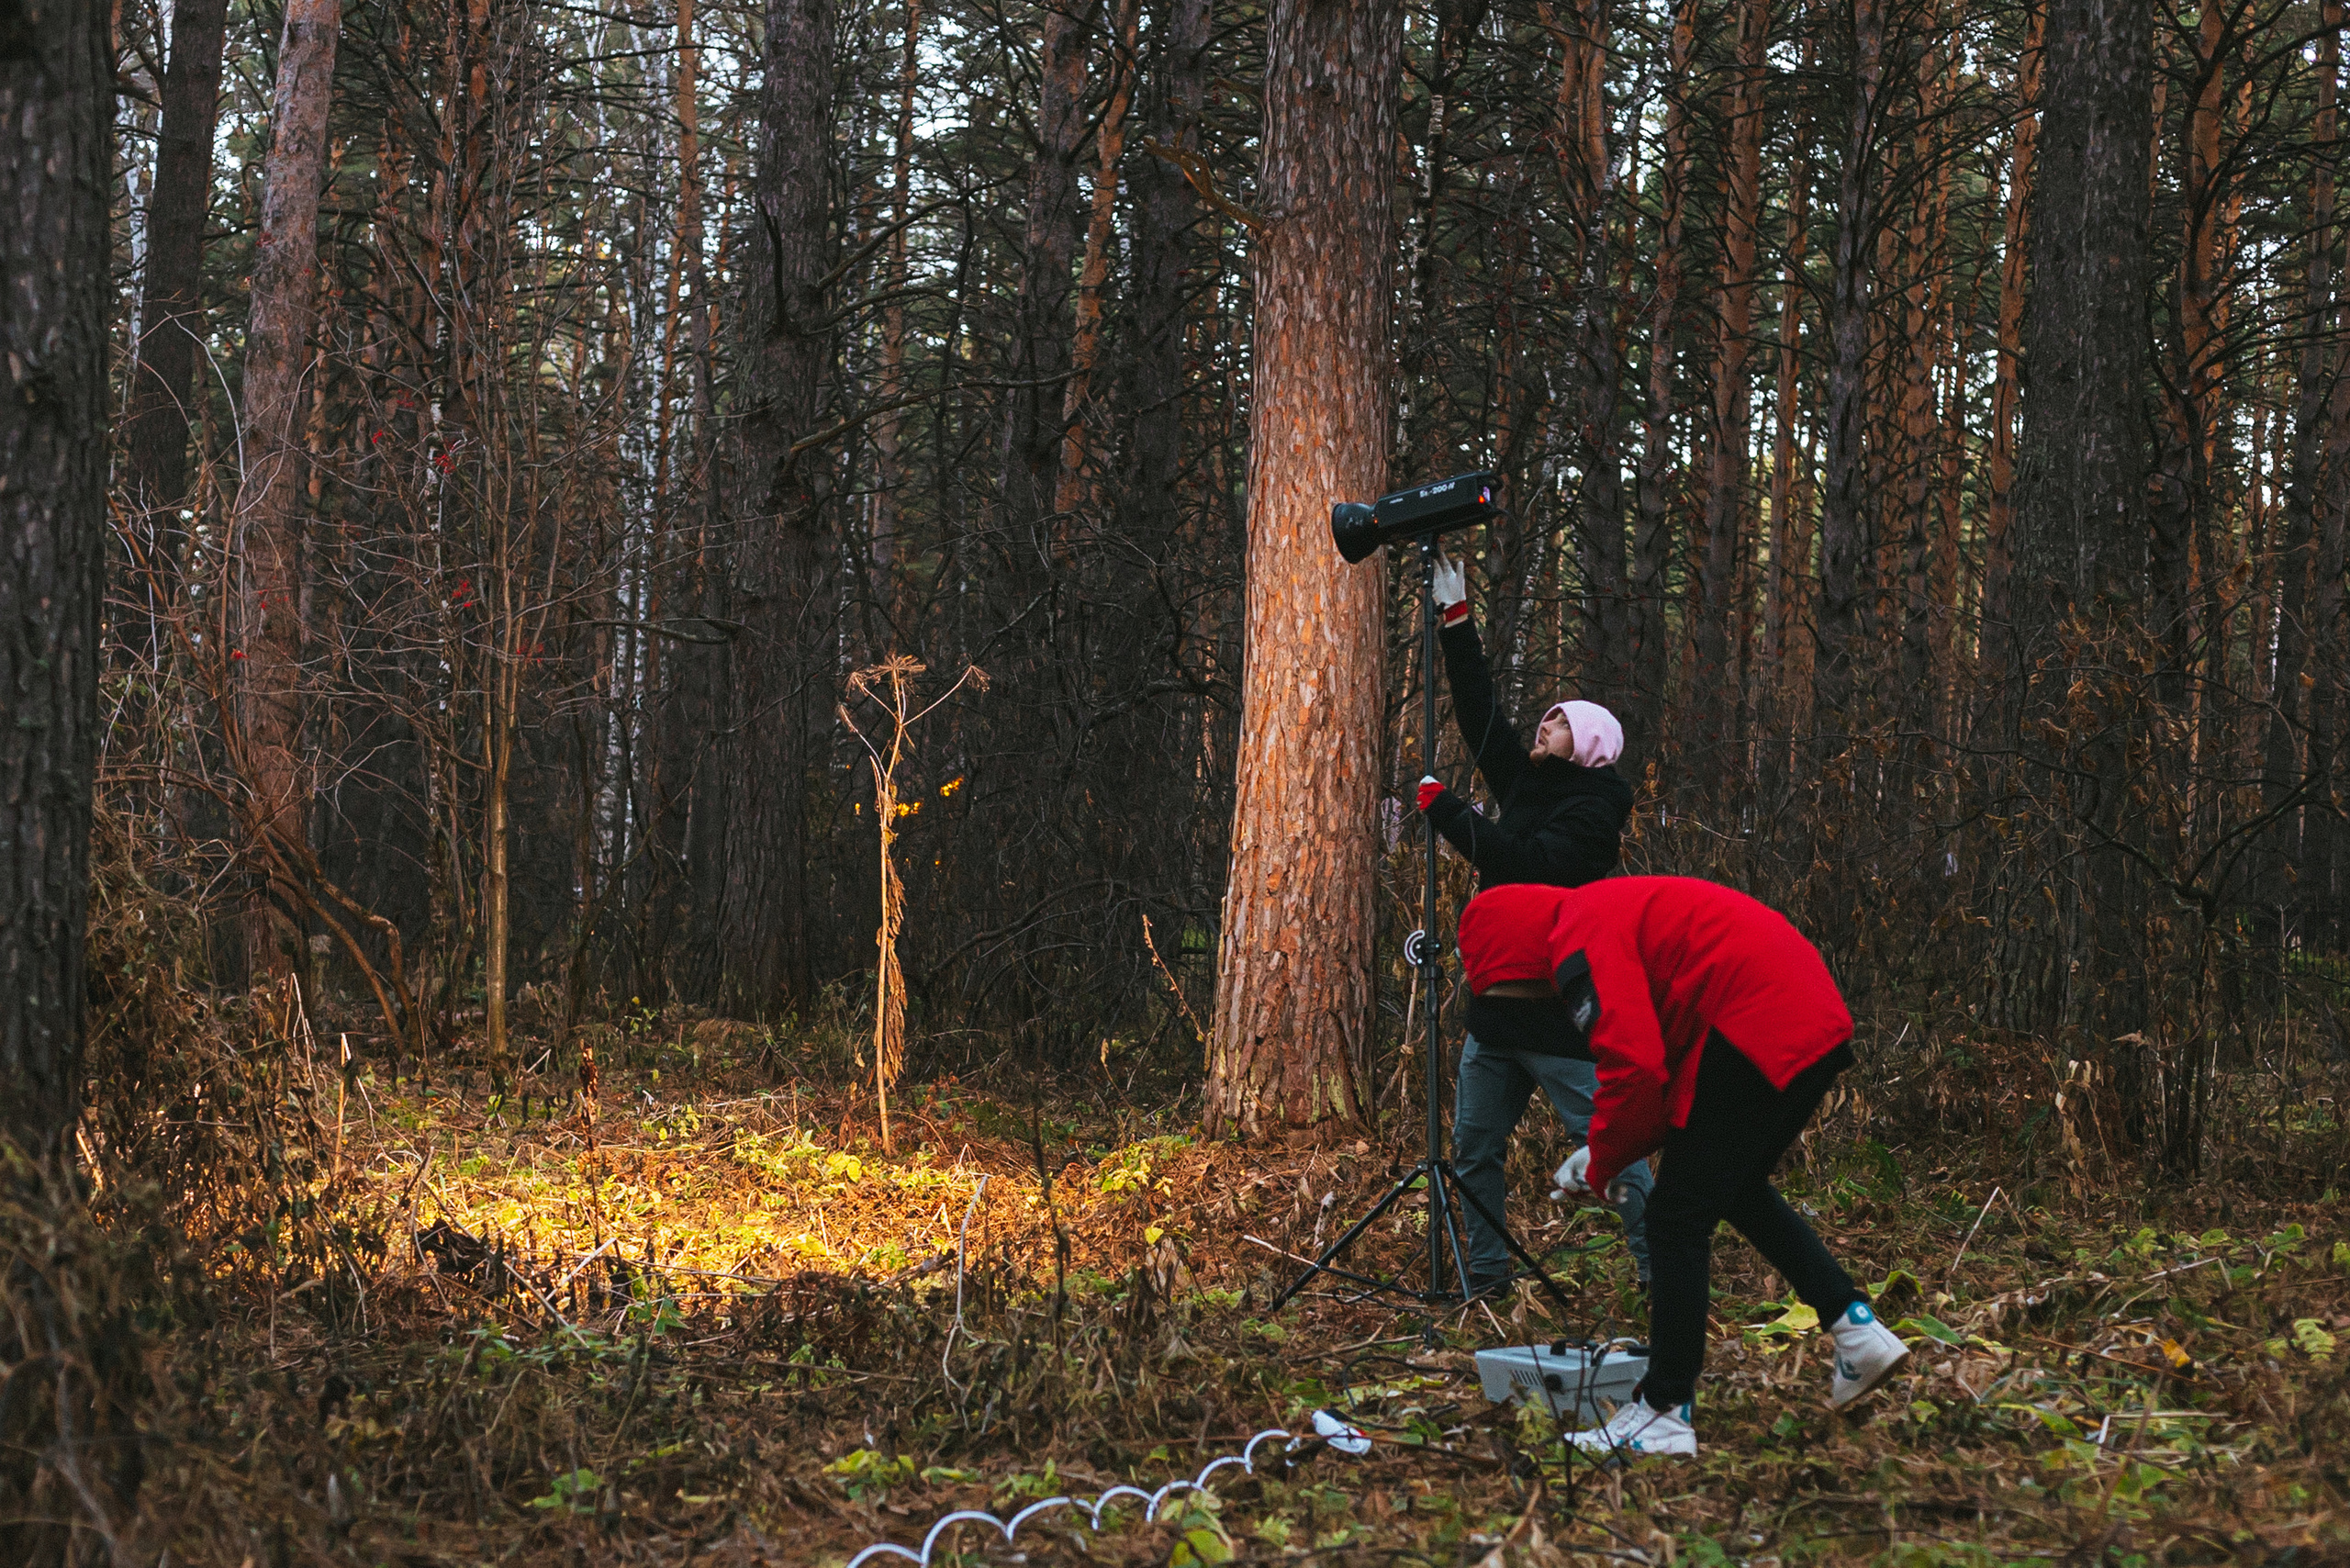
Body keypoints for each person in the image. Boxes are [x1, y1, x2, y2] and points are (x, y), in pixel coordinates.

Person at [1470, 877, 1912, 1458]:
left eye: (1515, 989)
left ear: (1514, 950)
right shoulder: (1602, 912)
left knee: (1676, 1218)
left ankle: (1663, 1410)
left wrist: (1602, 1163)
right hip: (1799, 1015)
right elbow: (1662, 1073)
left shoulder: (1579, 933)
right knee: (1734, 1189)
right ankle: (1855, 1328)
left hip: (1755, 1018)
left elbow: (1633, 1066)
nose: (1530, 1002)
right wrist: (1606, 1152)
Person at [1414, 554, 1648, 1299]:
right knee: (1473, 1150)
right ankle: (1487, 1278)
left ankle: (1661, 1272)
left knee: (1616, 1152)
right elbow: (1481, 714)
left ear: (1590, 744)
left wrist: (1450, 814)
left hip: (1557, 1016)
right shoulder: (1524, 783)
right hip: (1495, 1015)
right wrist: (1457, 622)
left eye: (1560, 722)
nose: (1544, 724)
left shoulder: (1595, 812)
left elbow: (1529, 867)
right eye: (1546, 717)